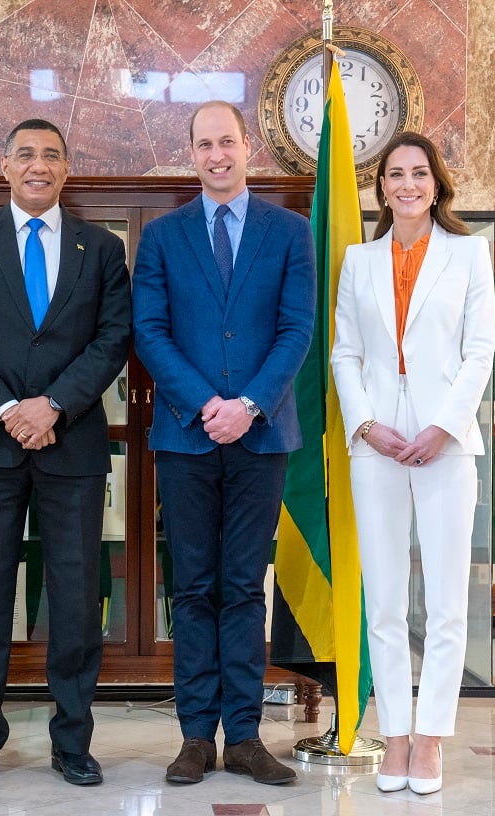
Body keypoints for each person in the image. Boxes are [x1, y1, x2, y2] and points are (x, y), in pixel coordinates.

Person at [0, 118, 131, 786]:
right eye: (25, 155)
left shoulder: (99, 248)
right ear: (5, 166)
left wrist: (54, 406)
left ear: (66, 169)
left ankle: (72, 742)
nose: (38, 165)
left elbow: (111, 338)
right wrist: (9, 411)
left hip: (70, 444)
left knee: (76, 602)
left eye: (51, 155)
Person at [132, 101, 315, 786]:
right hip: (185, 437)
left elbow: (296, 329)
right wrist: (207, 404)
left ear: (249, 149)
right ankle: (194, 738)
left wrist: (248, 405)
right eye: (204, 144)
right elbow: (149, 331)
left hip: (263, 438)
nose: (217, 155)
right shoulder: (162, 236)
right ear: (193, 154)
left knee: (243, 588)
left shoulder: (290, 232)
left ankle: (243, 736)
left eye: (227, 142)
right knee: (195, 589)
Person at [329, 131, 495, 795]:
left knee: (447, 603)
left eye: (419, 173)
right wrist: (366, 425)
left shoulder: (467, 254)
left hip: (445, 447)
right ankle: (394, 737)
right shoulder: (357, 260)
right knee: (387, 602)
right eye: (395, 174)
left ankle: (430, 743)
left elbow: (478, 351)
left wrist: (443, 426)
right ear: (381, 187)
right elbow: (344, 353)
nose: (407, 184)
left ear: (437, 183)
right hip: (377, 448)